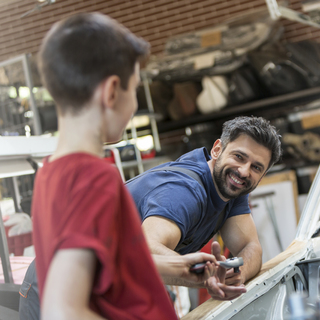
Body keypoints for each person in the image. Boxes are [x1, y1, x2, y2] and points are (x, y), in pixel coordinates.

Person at [29, 12, 216, 319]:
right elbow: (63, 310)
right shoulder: (92, 177)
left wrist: (179, 268)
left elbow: (102, 269)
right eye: (135, 89)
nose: (134, 104)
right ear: (112, 91)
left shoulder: (52, 173)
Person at [126, 116, 282, 301]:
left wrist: (237, 275)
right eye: (239, 157)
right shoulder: (184, 192)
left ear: (262, 176)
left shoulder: (231, 188)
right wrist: (208, 277)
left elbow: (250, 247)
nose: (243, 171)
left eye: (256, 167)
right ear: (217, 150)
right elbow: (147, 251)